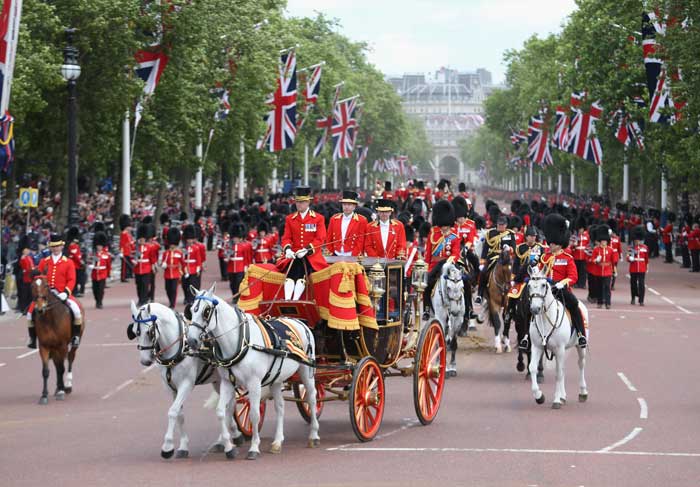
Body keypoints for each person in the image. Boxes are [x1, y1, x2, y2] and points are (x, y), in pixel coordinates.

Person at [26, 234, 83, 349]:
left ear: (62, 246)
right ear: (50, 247)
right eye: (53, 246)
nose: (55, 249)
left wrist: (66, 292)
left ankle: (75, 336)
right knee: (29, 313)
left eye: (57, 246)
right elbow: (38, 276)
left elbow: (72, 280)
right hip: (45, 294)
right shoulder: (44, 261)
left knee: (76, 311)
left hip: (62, 293)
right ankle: (32, 338)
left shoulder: (68, 262)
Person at [538, 213, 587, 348]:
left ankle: (580, 335)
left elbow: (573, 277)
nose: (550, 245)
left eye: (553, 243)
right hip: (545, 290)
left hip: (561, 291)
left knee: (575, 306)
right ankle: (526, 336)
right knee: (531, 307)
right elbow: (539, 271)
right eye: (550, 242)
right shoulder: (545, 257)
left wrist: (562, 283)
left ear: (560, 244)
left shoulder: (567, 258)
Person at [278, 186, 328, 300]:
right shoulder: (290, 219)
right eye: (297, 202)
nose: (299, 205)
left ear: (308, 202)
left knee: (300, 273)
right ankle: (287, 300)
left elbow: (320, 238)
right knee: (290, 275)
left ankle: (295, 300)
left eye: (302, 202)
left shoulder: (318, 218)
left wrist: (307, 249)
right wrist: (288, 249)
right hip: (294, 255)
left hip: (311, 256)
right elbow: (286, 237)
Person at [423, 200, 461, 317]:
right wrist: (426, 268)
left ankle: (467, 309)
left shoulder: (454, 237)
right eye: (443, 225)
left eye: (446, 225)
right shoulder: (433, 233)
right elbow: (428, 253)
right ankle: (426, 309)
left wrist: (448, 263)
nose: (444, 228)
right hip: (434, 266)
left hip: (449, 265)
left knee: (464, 283)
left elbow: (455, 253)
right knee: (427, 284)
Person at [477, 214, 517, 303]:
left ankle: (513, 293)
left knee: (512, 272)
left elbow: (514, 248)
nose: (500, 226)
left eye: (502, 225)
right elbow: (486, 248)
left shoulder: (510, 234)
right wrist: (482, 261)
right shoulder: (490, 233)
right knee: (483, 273)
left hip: (506, 258)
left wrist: (509, 248)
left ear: (506, 225)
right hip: (493, 257)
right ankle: (480, 294)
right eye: (499, 224)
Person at [325, 190, 368, 257]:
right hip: (336, 254)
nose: (346, 207)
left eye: (349, 205)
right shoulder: (334, 219)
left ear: (354, 206)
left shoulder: (361, 220)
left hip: (352, 255)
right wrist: (331, 253)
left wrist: (354, 255)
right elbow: (329, 238)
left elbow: (361, 241)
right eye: (344, 204)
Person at [590, 225, 617, 309]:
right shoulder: (596, 249)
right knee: (599, 288)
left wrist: (614, 270)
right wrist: (596, 260)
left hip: (607, 270)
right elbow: (592, 260)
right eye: (602, 241)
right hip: (598, 270)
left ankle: (608, 303)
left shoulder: (610, 250)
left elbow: (613, 261)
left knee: (607, 288)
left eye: (605, 241)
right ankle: (600, 302)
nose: (603, 242)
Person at [226, 222, 253, 301]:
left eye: (237, 238)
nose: (235, 239)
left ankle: (238, 297)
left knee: (239, 283)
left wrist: (246, 266)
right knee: (232, 283)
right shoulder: (229, 245)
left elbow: (247, 257)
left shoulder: (244, 246)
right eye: (234, 238)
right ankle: (234, 296)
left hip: (240, 267)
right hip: (231, 267)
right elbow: (226, 255)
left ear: (240, 238)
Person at [161, 227, 183, 309]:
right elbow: (163, 263)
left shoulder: (179, 253)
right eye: (171, 243)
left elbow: (182, 263)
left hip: (176, 273)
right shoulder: (166, 253)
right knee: (167, 289)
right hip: (167, 274)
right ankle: (171, 301)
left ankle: (172, 304)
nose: (172, 245)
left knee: (174, 289)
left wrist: (183, 272)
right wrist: (163, 265)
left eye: (173, 244)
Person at [182, 224, 204, 305]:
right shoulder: (184, 248)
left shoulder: (196, 248)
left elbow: (198, 259)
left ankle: (191, 299)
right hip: (185, 268)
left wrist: (198, 269)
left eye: (191, 239)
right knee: (185, 284)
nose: (189, 240)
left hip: (194, 268)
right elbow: (182, 259)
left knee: (192, 284)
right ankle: (186, 297)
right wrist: (184, 269)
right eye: (188, 239)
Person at [133, 223, 153, 307]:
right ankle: (140, 298)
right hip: (137, 269)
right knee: (139, 285)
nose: (141, 240)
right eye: (140, 238)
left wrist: (152, 266)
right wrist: (133, 261)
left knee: (145, 285)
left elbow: (151, 258)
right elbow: (132, 256)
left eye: (143, 239)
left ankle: (143, 300)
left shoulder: (149, 247)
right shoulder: (135, 247)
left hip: (146, 268)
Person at [628, 225, 649, 306]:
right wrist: (630, 258)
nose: (638, 242)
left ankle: (641, 300)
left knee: (641, 284)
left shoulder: (645, 247)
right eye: (636, 240)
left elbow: (646, 258)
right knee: (633, 284)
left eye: (639, 240)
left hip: (642, 268)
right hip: (633, 268)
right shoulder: (631, 248)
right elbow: (628, 258)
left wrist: (647, 266)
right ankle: (633, 297)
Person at [90, 231, 111, 309]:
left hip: (102, 274)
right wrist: (91, 266)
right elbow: (89, 262)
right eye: (98, 246)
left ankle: (100, 302)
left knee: (101, 290)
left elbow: (108, 265)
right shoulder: (93, 254)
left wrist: (109, 274)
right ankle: (97, 300)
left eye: (100, 246)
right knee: (95, 290)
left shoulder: (106, 254)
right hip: (95, 274)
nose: (99, 247)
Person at [17, 236, 35, 313]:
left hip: (30, 278)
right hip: (25, 278)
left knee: (29, 295)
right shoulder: (23, 258)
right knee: (25, 295)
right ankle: (24, 308)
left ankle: (29, 308)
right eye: (26, 249)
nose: (28, 250)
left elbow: (31, 266)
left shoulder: (29, 257)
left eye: (28, 249)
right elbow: (26, 268)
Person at [65, 226, 84, 296]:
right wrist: (81, 262)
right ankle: (75, 291)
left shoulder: (72, 245)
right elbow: (76, 256)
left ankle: (75, 291)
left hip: (74, 264)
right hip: (76, 265)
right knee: (76, 279)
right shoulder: (73, 246)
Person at [119, 214, 135, 282]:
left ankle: (128, 275)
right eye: (129, 226)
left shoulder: (128, 234)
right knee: (124, 266)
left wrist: (132, 249)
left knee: (129, 265)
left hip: (128, 251)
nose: (130, 228)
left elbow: (130, 243)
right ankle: (123, 277)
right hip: (124, 252)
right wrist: (121, 252)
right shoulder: (123, 233)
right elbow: (122, 244)